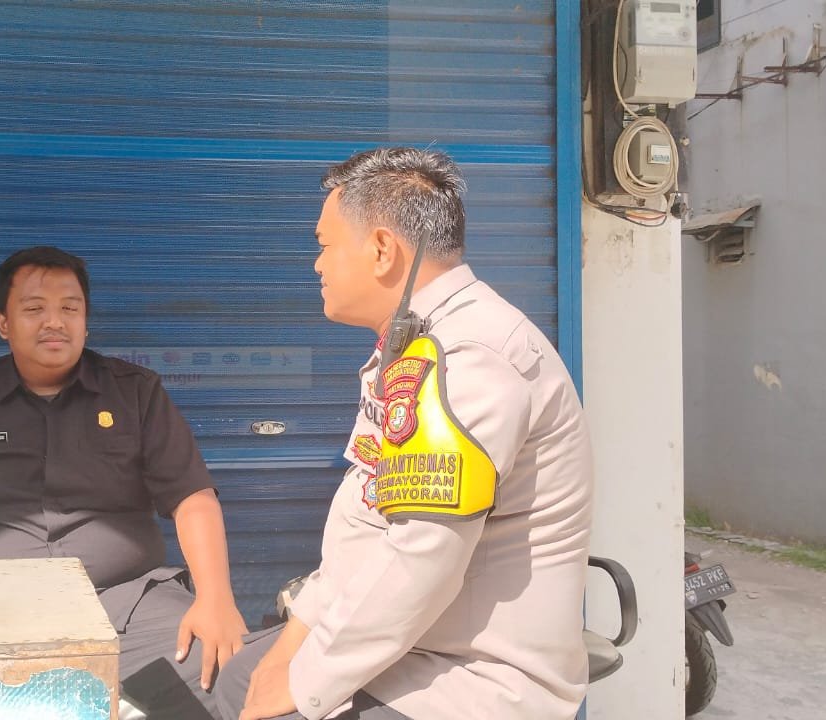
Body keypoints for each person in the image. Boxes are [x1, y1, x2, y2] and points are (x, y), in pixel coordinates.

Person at [216, 148, 595, 720]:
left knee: (266, 704)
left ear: (381, 250)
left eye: (325, 245)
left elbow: (423, 555)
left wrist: (306, 681)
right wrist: (292, 644)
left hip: (476, 677)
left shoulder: (470, 357)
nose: (316, 265)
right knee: (241, 678)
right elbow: (363, 519)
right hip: (417, 648)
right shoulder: (415, 346)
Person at [0, 246, 246, 719]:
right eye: (34, 309)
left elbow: (192, 498)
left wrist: (216, 600)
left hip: (125, 604)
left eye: (70, 308)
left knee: (222, 666)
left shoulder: (136, 392)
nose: (55, 322)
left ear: (86, 322)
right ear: (3, 323)